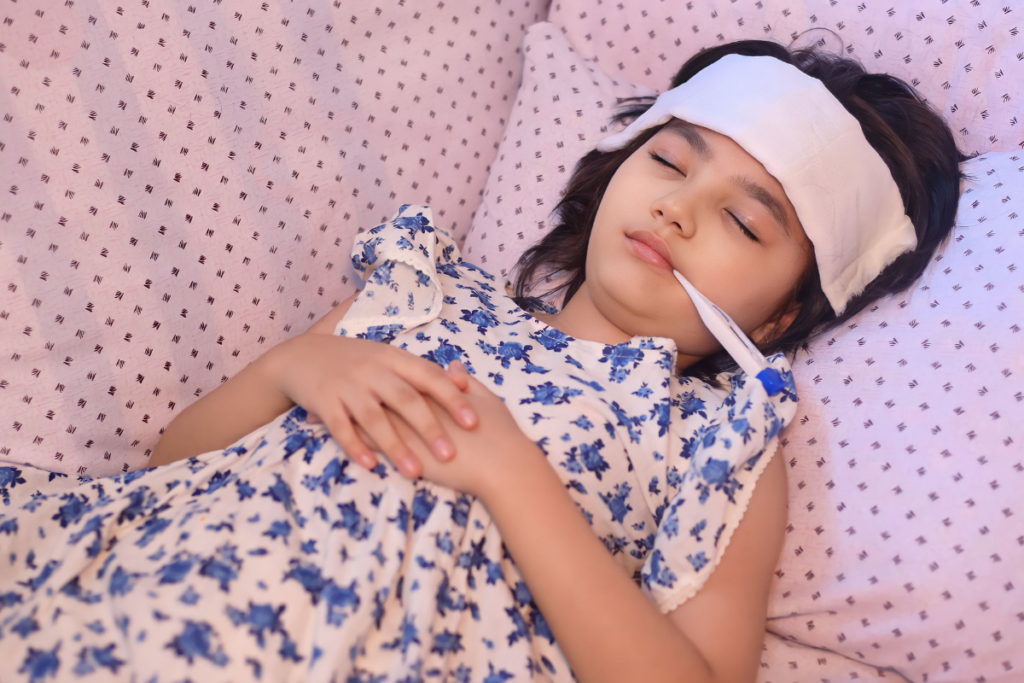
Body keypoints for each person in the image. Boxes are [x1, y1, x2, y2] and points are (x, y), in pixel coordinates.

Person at [0, 40, 965, 683]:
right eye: (670, 163)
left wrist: (510, 473)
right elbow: (172, 463)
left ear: (788, 304)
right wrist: (301, 367)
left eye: (745, 220)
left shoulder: (720, 441)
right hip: (162, 595)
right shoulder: (423, 292)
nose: (678, 209)